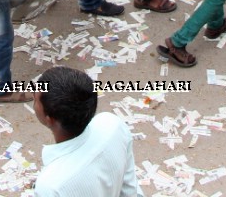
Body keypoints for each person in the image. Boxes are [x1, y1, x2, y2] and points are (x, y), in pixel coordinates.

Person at [31, 66, 144, 196]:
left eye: (35, 100)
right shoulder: (112, 124)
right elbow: (130, 190)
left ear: (50, 119)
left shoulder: (51, 186)